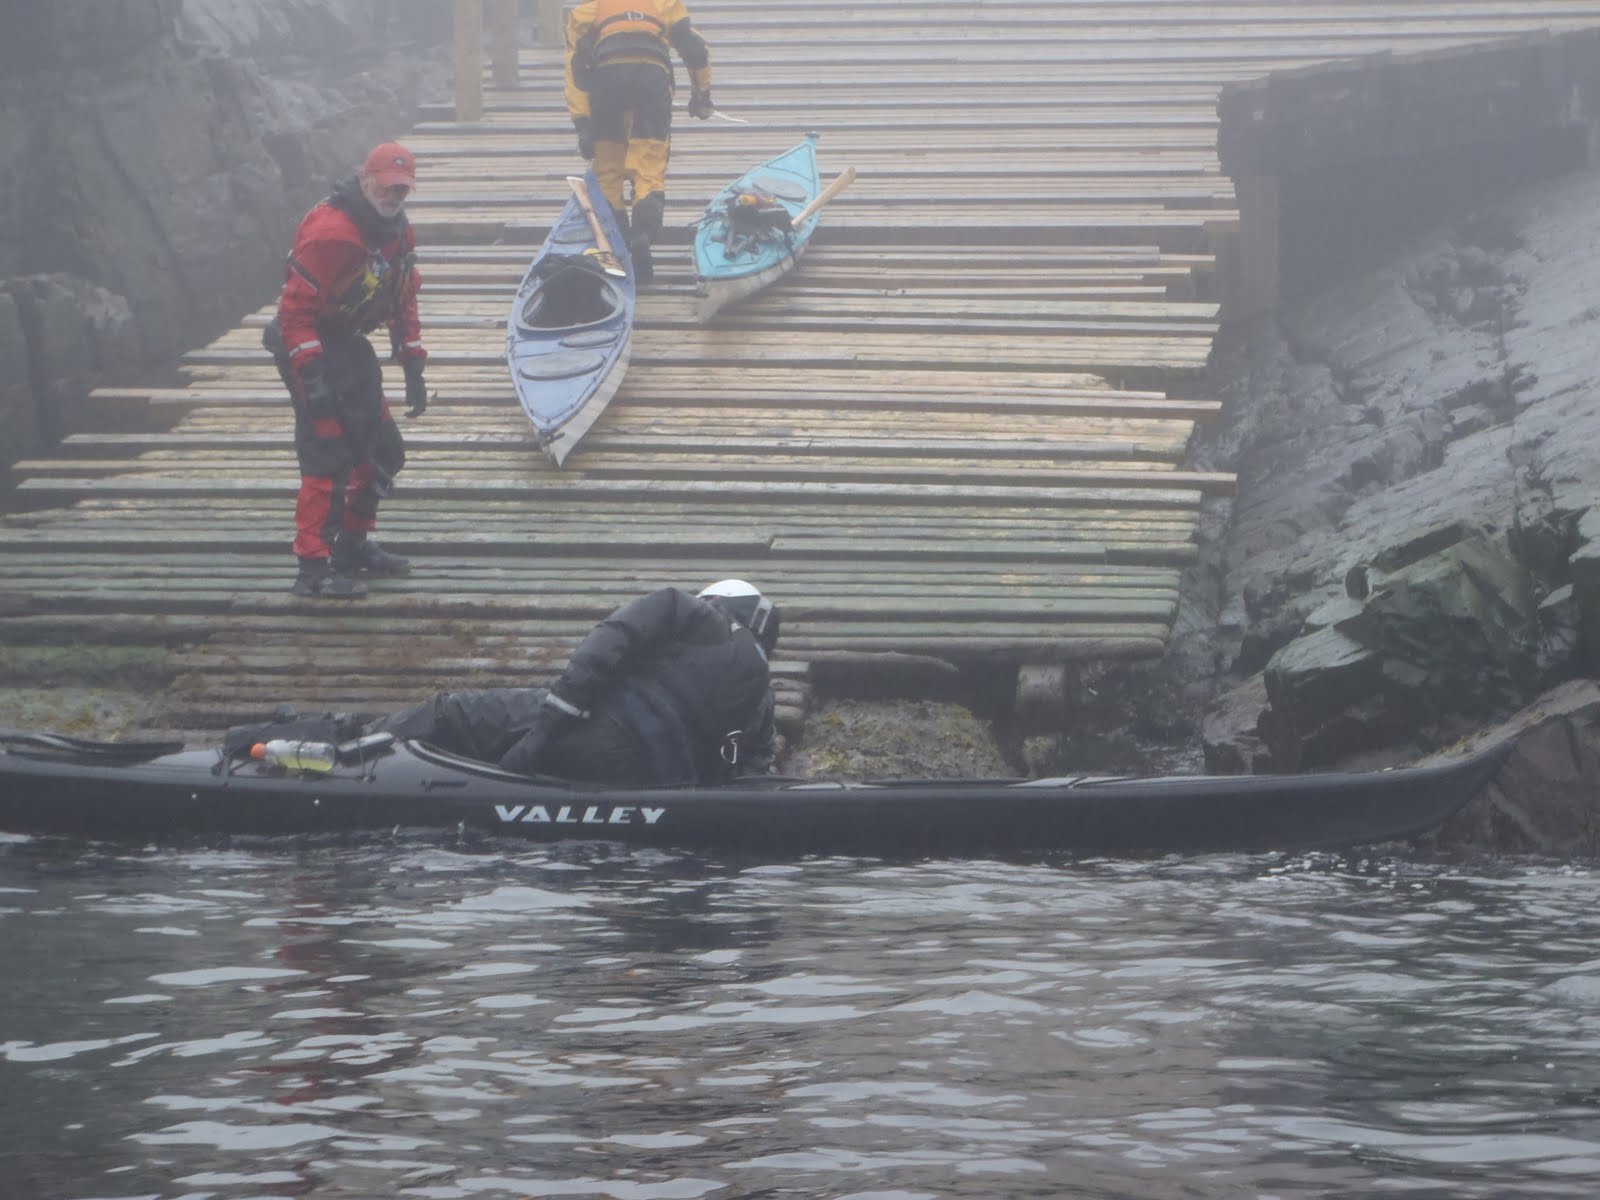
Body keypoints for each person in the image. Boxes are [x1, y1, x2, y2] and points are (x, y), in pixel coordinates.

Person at [370, 580, 779, 784]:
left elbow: (613, 638)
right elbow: (738, 770)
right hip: (646, 778)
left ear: (717, 602)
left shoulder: (698, 615)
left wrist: (546, 728)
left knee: (451, 713)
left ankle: (347, 751)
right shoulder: (761, 698)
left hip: (594, 733)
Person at [263, 141, 430, 599]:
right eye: (386, 186)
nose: (393, 197)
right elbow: (294, 314)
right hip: (307, 342)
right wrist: (313, 382)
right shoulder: (330, 234)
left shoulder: (397, 233)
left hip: (349, 342)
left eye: (402, 190)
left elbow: (404, 295)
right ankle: (312, 569)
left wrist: (412, 361)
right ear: (364, 179)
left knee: (383, 450)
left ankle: (352, 546)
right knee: (329, 451)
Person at [564, 0, 714, 283]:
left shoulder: (586, 12)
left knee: (608, 167)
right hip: (651, 77)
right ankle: (642, 234)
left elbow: (576, 71)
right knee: (649, 163)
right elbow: (693, 49)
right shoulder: (665, 4)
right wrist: (701, 95)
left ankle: (617, 243)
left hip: (607, 80)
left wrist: (583, 124)